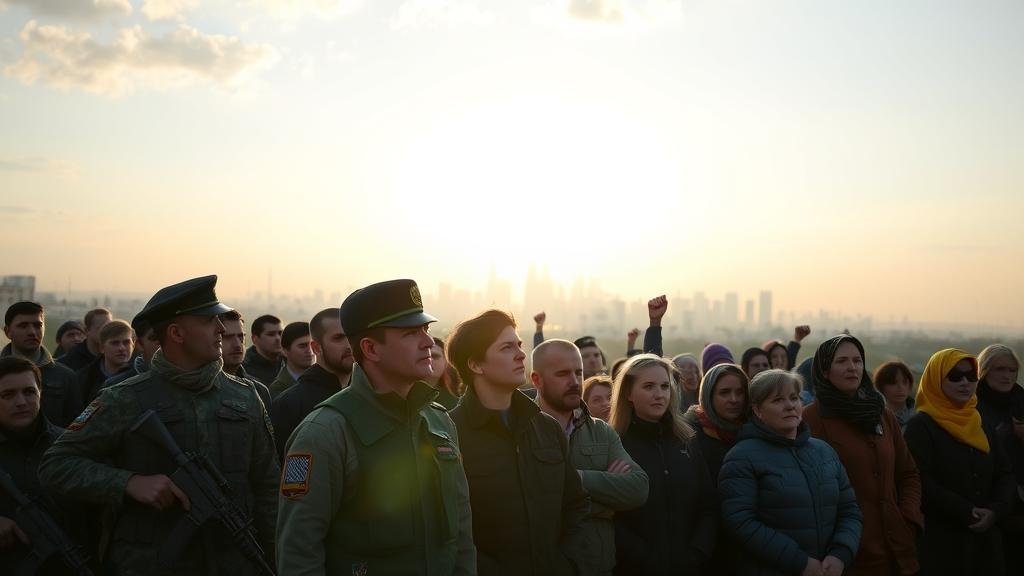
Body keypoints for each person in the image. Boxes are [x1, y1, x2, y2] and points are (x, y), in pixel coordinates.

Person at [38, 275, 279, 575]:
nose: (221, 328)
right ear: (176, 333)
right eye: (209, 321)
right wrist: (128, 483)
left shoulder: (244, 396)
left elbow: (269, 487)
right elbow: (56, 466)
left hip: (233, 562)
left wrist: (277, 557)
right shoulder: (124, 398)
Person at [275, 280, 475, 575]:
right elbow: (299, 553)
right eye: (410, 333)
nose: (427, 343)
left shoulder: (438, 421)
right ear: (370, 349)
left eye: (425, 329)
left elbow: (461, 535)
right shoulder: (325, 432)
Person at [448, 309, 589, 575]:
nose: (521, 355)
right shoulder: (448, 434)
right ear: (475, 365)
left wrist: (567, 563)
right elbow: (448, 529)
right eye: (506, 348)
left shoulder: (547, 428)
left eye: (519, 345)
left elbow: (576, 505)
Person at [719, 369, 862, 576]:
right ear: (757, 410)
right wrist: (800, 562)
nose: (790, 406)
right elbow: (740, 522)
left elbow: (850, 510)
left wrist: (840, 553)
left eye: (794, 398)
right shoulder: (741, 457)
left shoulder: (824, 451)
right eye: (778, 400)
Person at [802, 335, 922, 576]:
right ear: (824, 370)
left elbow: (908, 473)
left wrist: (908, 517)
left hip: (896, 546)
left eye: (857, 361)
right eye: (842, 361)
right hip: (845, 553)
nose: (852, 367)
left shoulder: (881, 414)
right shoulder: (809, 419)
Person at [532, 339, 649, 576]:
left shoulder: (600, 431)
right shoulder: (523, 430)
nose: (574, 382)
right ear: (536, 380)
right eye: (563, 374)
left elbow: (638, 489)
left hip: (595, 566)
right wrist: (607, 502)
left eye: (578, 372)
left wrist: (577, 478)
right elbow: (532, 505)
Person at [904, 348, 1016, 576]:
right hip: (941, 544)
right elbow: (918, 480)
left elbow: (1004, 473)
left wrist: (995, 510)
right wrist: (966, 511)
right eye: (955, 376)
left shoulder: (979, 422)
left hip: (985, 545)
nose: (965, 382)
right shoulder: (921, 426)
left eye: (971, 376)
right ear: (936, 380)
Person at [609, 354, 718, 575]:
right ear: (628, 393)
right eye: (648, 386)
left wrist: (697, 553)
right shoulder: (614, 445)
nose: (659, 394)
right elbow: (612, 517)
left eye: (665, 386)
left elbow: (709, 506)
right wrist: (644, 558)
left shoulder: (687, 440)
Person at [0, 356, 94, 575]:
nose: (21, 402)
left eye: (29, 392)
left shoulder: (70, 445)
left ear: (41, 393)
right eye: (8, 395)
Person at [681, 362, 749, 576]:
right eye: (724, 392)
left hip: (747, 544)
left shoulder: (754, 432)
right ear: (708, 395)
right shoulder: (688, 436)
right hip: (704, 548)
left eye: (740, 392)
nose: (734, 399)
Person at [270, 307, 353, 458]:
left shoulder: (369, 393)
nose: (349, 345)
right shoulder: (289, 404)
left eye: (351, 336)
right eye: (338, 338)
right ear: (316, 348)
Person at [976, 344, 1024, 574]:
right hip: (987, 504)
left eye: (1012, 370)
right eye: (1000, 369)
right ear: (984, 370)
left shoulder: (1021, 402)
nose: (1007, 376)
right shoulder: (970, 405)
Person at [2, 302, 83, 428]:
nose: (32, 332)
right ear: (8, 332)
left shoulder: (66, 376)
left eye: (37, 325)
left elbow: (75, 428)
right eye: (23, 326)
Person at [76, 319, 135, 403]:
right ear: (102, 348)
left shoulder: (141, 374)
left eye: (126, 342)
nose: (121, 348)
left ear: (133, 345)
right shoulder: (84, 378)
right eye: (115, 343)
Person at [268, 322, 315, 398]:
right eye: (302, 346)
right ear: (284, 351)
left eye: (312, 345)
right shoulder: (278, 390)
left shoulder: (328, 379)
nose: (310, 350)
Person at [58, 308, 111, 372]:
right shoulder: (68, 362)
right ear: (87, 330)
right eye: (102, 328)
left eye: (110, 328)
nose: (108, 331)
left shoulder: (113, 356)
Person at [873, 360, 916, 431]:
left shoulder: (920, 418)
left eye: (904, 382)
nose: (900, 387)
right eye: (893, 383)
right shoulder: (874, 419)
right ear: (881, 387)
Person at [242, 315, 283, 386]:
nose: (278, 338)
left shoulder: (291, 361)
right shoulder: (243, 369)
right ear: (255, 339)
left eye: (280, 333)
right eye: (271, 334)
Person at [427, 337, 462, 410]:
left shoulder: (456, 404)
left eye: (435, 356)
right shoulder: (403, 395)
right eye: (425, 356)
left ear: (446, 362)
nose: (429, 360)